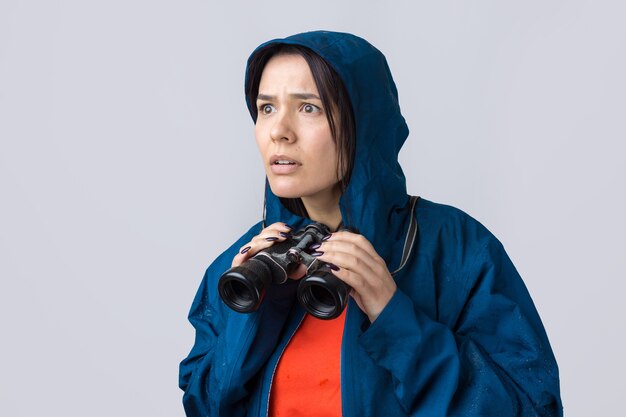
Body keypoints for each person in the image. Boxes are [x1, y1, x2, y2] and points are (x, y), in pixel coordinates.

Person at [179, 30, 563, 417]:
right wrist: (245, 320)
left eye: (308, 107)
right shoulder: (241, 264)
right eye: (266, 108)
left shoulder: (456, 249)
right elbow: (204, 406)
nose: (279, 131)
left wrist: (392, 314)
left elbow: (531, 409)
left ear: (363, 121)